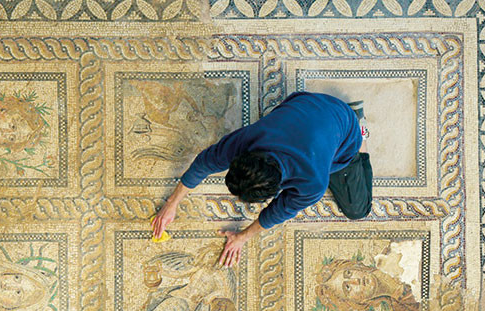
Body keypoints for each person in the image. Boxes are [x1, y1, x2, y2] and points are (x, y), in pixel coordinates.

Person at [151, 92, 372, 267]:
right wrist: (172, 203)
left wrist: (242, 238)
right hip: (310, 106)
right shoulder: (247, 140)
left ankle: (359, 124)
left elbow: (276, 213)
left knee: (358, 210)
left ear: (278, 190)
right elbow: (204, 163)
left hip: (343, 127)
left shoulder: (313, 182)